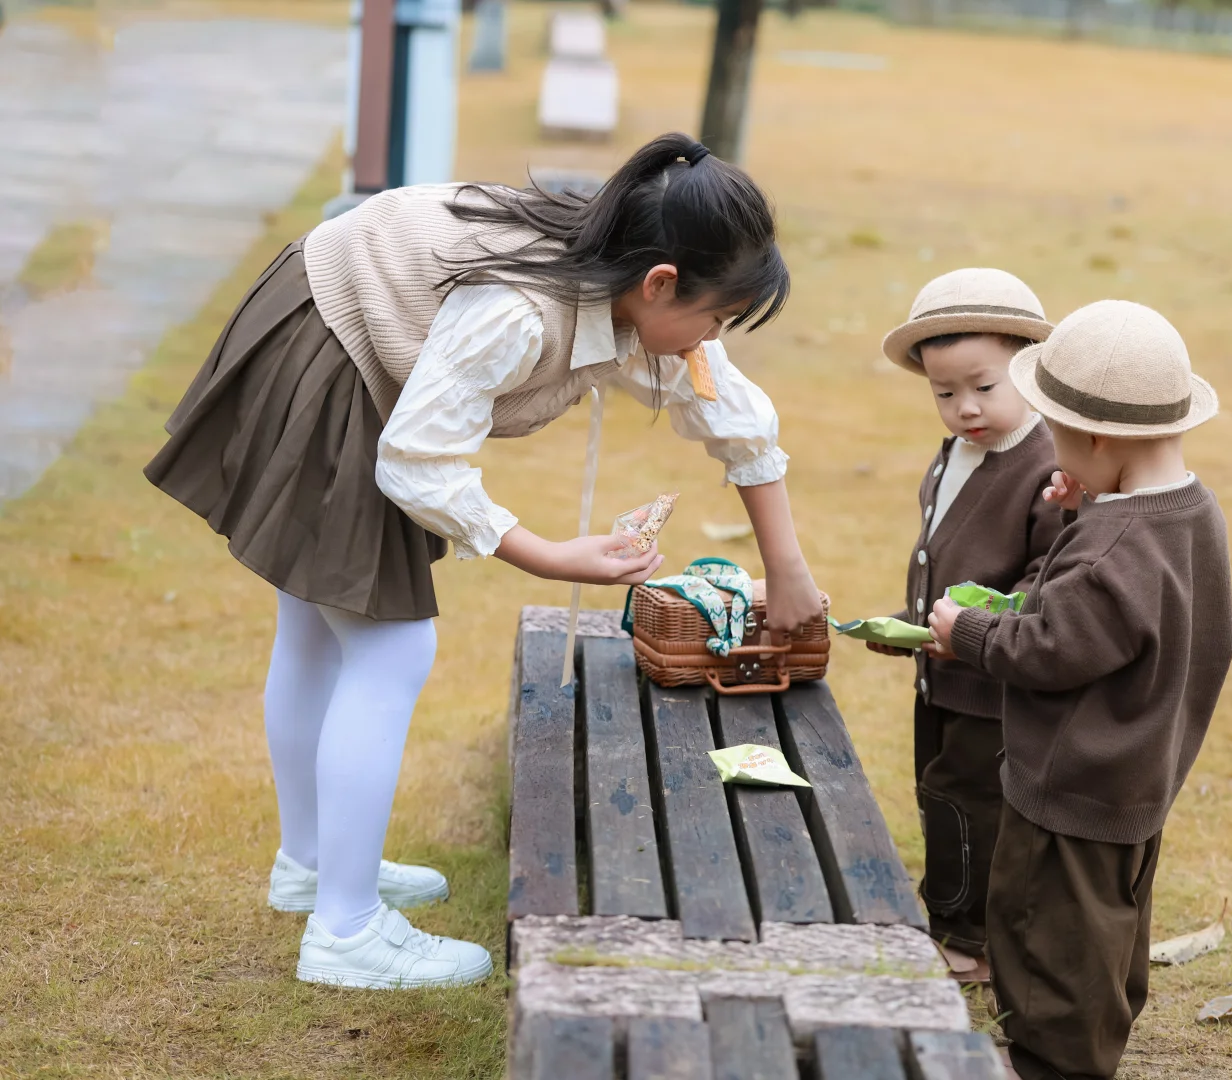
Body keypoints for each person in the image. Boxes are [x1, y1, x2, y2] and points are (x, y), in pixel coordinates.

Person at [144, 132, 823, 989]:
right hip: (330, 341)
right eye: (715, 318)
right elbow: (420, 459)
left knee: (319, 630)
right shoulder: (521, 309)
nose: (711, 341)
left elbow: (733, 414)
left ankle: (314, 866)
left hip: (339, 319)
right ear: (660, 284)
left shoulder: (632, 268)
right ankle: (345, 930)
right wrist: (543, 555)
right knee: (388, 647)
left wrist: (786, 567)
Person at [927, 300, 1232, 1080]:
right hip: (1139, 771)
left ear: (1098, 438)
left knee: (1047, 940)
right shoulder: (1189, 513)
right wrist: (1088, 507)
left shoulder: (1112, 549)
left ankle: (1053, 1063)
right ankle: (1091, 1040)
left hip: (1072, 782)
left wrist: (964, 631)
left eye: (1060, 436)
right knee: (1110, 930)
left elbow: (1049, 644)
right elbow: (1126, 605)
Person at [869, 268, 1064, 981]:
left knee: (970, 799)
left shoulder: (1047, 463)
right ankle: (956, 917)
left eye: (984, 387)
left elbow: (1050, 576)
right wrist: (915, 625)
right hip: (943, 671)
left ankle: (968, 939)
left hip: (994, 679)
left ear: (1032, 369)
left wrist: (976, 631)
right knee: (937, 787)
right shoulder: (957, 451)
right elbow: (942, 549)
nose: (965, 409)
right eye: (944, 394)